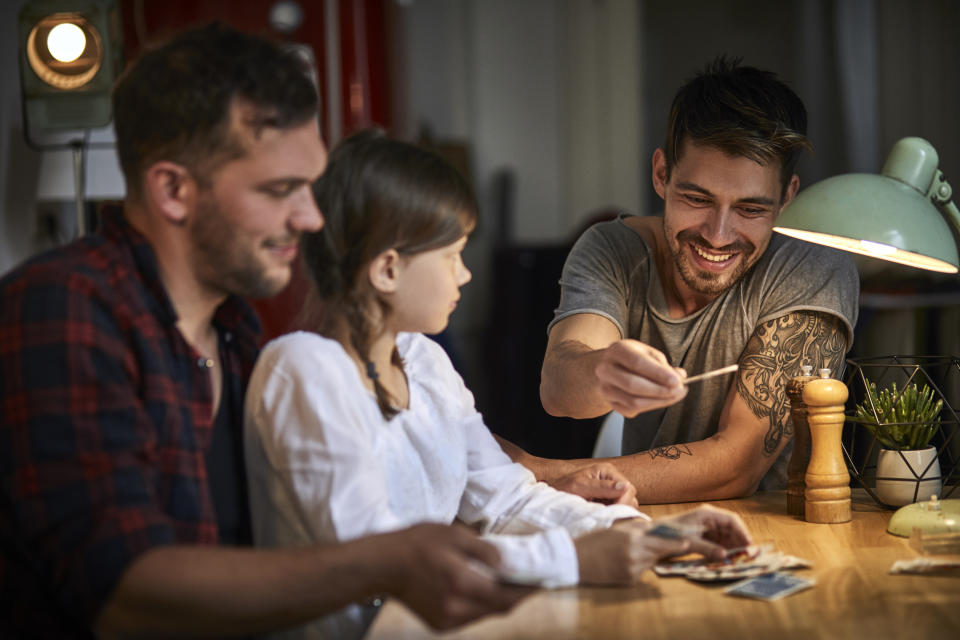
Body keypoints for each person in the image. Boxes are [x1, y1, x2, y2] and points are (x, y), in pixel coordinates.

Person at [0, 24, 529, 638]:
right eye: (281, 190)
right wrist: (390, 561)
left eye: (310, 186)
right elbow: (124, 593)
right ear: (173, 190)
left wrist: (534, 478)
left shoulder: (235, 331)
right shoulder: (64, 308)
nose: (308, 218)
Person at [243, 129, 754, 640]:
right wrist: (575, 558)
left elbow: (507, 501)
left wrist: (637, 533)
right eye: (452, 255)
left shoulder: (424, 362)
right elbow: (384, 562)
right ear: (388, 269)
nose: (464, 275)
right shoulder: (304, 370)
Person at [507, 57, 859, 503]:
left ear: (787, 196)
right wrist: (603, 370)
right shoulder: (611, 250)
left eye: (751, 209)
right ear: (661, 174)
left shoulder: (815, 268)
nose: (717, 235)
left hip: (782, 536)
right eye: (697, 198)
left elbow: (735, 468)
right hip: (647, 529)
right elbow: (559, 392)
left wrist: (540, 474)